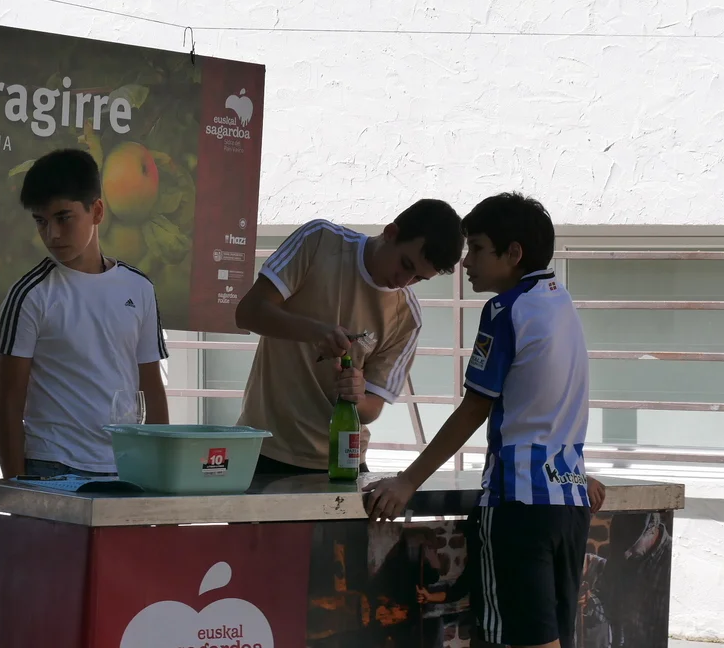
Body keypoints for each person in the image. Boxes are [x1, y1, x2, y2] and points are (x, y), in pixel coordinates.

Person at [365, 192, 605, 648]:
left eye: (476, 248)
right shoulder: (562, 303)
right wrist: (576, 471)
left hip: (518, 505)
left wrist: (407, 481)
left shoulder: (505, 310)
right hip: (569, 503)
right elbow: (552, 402)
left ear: (513, 253)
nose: (465, 262)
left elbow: (475, 408)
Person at [234, 199, 466, 474]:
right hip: (264, 447)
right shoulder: (319, 241)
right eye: (405, 264)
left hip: (344, 461)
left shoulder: (407, 317)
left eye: (418, 279)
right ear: (390, 232)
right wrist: (314, 332)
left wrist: (357, 396)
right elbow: (247, 313)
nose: (404, 281)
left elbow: (372, 408)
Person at [0, 148, 169, 480]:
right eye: (41, 221)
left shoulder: (140, 287)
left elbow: (152, 388)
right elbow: (7, 407)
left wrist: (160, 476)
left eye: (64, 218)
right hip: (51, 468)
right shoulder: (29, 294)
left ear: (97, 211)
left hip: (127, 468)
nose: (52, 234)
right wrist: (18, 490)